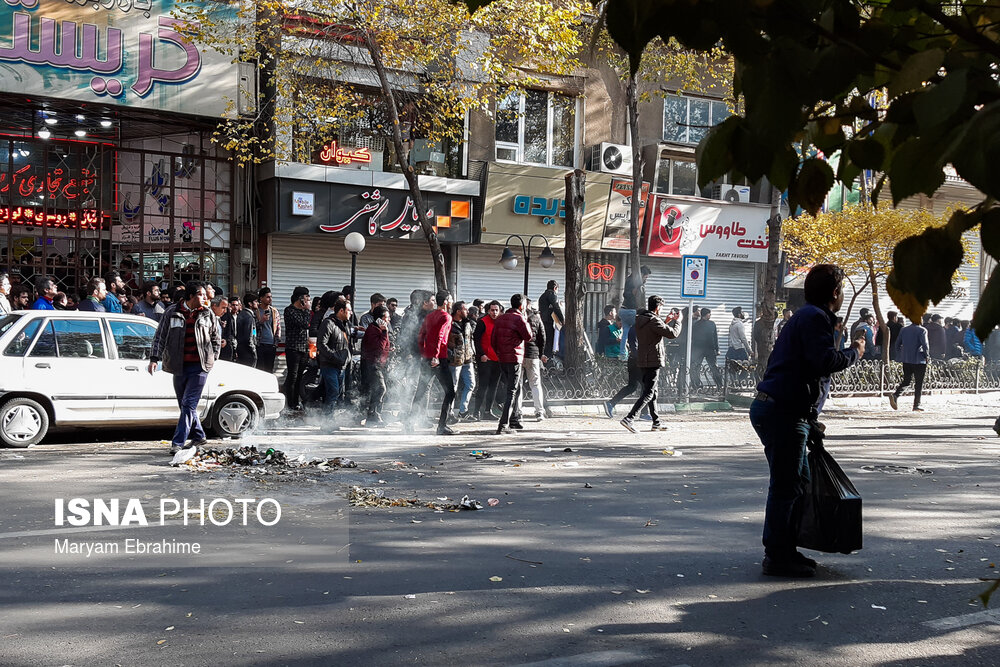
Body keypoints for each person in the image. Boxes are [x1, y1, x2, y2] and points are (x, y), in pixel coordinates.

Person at [750, 264, 864, 577]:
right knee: (786, 485)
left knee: (796, 481)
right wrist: (854, 351)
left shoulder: (806, 317)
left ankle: (785, 548)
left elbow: (803, 369)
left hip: (784, 410)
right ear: (835, 293)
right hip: (782, 411)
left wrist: (810, 419)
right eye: (842, 290)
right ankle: (776, 555)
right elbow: (824, 361)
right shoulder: (815, 317)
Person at [148, 281, 221, 455]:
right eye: (201, 295)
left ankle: (178, 442)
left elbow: (216, 338)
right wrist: (154, 358)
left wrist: (213, 358)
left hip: (200, 367)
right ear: (191, 296)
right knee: (185, 405)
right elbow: (160, 336)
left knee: (189, 403)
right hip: (178, 365)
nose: (205, 298)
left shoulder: (207, 313)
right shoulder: (172, 312)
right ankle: (199, 435)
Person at [620, 295, 681, 432]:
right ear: (658, 307)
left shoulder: (641, 319)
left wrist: (666, 320)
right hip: (653, 359)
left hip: (643, 360)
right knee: (648, 393)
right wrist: (678, 322)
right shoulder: (653, 321)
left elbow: (654, 332)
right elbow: (672, 334)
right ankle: (629, 418)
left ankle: (656, 422)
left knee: (653, 392)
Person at [410, 290, 456, 435]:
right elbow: (440, 336)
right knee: (450, 392)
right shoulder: (446, 316)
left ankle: (408, 424)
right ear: (447, 301)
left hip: (427, 358)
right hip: (438, 359)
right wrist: (435, 356)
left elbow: (421, 336)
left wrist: (424, 353)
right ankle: (442, 426)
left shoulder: (430, 315)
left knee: (420, 391)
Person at [492, 293, 532, 435]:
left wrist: (499, 353)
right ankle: (503, 424)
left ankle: (513, 418)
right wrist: (525, 319)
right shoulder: (519, 318)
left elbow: (493, 339)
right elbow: (528, 336)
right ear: (521, 306)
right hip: (514, 358)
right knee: (512, 390)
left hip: (503, 357)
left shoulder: (501, 318)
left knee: (516, 387)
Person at [889, 316, 929, 412]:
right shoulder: (922, 330)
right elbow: (925, 344)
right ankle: (916, 405)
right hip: (919, 360)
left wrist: (901, 354)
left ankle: (896, 395)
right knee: (919, 383)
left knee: (907, 380)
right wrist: (927, 355)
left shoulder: (904, 329)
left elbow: (897, 344)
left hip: (906, 359)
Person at [317, 299, 351, 411]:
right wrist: (334, 357)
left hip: (341, 366)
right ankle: (327, 421)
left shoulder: (344, 325)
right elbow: (321, 345)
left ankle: (333, 419)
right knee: (333, 392)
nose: (351, 313)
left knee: (339, 394)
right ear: (341, 311)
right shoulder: (328, 323)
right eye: (349, 310)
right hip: (329, 365)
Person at [519, 300, 550, 421]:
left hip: (519, 355)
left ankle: (518, 412)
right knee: (536, 384)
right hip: (533, 354)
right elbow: (542, 337)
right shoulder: (536, 317)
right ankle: (539, 411)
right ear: (529, 305)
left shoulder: (516, 317)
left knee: (518, 385)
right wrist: (540, 353)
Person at [282, 286, 312, 412]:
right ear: (300, 298)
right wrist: (307, 309)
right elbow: (304, 324)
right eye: (306, 297)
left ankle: (296, 401)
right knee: (292, 376)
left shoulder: (304, 311)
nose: (308, 299)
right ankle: (291, 403)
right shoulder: (289, 310)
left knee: (300, 376)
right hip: (293, 347)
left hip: (304, 348)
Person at [361, 304, 391, 425]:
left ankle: (376, 414)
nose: (389, 320)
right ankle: (373, 414)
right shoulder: (373, 330)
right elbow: (378, 348)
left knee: (378, 389)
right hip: (372, 364)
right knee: (380, 388)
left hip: (380, 364)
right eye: (387, 318)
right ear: (381, 319)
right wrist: (384, 333)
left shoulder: (379, 329)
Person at [473, 300, 503, 420]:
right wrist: (481, 354)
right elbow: (476, 340)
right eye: (492, 310)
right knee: (483, 386)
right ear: (488, 311)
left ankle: (488, 411)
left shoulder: (501, 322)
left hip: (498, 359)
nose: (494, 312)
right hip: (485, 359)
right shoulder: (482, 322)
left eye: (496, 310)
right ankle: (476, 412)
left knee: (493, 386)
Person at [448, 301, 477, 421]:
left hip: (467, 358)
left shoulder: (467, 323)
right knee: (452, 386)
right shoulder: (450, 323)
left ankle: (463, 410)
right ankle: (449, 412)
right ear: (458, 311)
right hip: (455, 360)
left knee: (471, 384)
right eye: (465, 309)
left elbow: (470, 339)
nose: (468, 312)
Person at [690, 307, 723, 391]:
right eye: (709, 314)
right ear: (706, 314)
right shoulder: (711, 324)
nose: (710, 315)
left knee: (697, 367)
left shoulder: (697, 324)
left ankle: (697, 385)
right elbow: (715, 337)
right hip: (709, 349)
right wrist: (717, 349)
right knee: (712, 367)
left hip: (700, 350)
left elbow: (693, 338)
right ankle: (719, 385)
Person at [620, 265, 651, 348]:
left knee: (625, 334)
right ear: (641, 275)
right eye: (645, 278)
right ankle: (637, 350)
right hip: (631, 310)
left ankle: (623, 354)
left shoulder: (630, 279)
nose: (646, 280)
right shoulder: (633, 282)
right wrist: (634, 292)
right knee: (642, 326)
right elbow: (627, 294)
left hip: (623, 310)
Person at [256, 287, 281, 373]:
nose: (270, 299)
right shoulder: (256, 311)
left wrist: (276, 341)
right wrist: (261, 321)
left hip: (271, 344)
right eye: (267, 297)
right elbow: (253, 328)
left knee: (269, 369)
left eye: (271, 297)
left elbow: (278, 327)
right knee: (260, 368)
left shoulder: (274, 311)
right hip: (259, 343)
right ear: (261, 298)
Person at [537, 280, 564, 360]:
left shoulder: (543, 296)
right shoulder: (552, 294)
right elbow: (556, 307)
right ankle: (548, 359)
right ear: (555, 288)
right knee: (550, 341)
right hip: (548, 321)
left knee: (544, 341)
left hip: (543, 321)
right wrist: (562, 319)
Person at [234, 294, 258, 367]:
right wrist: (253, 350)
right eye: (256, 301)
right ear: (250, 304)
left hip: (241, 349)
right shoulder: (249, 317)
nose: (257, 303)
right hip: (247, 351)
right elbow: (249, 337)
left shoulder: (242, 314)